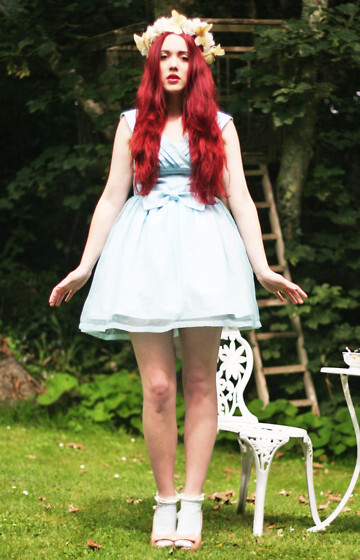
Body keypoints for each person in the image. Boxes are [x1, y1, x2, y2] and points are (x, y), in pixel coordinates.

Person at [49, 10, 307, 551]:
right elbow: (112, 197)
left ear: (197, 65)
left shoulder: (220, 125)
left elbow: (239, 196)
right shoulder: (130, 123)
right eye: (163, 56)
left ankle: (193, 502)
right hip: (142, 256)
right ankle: (164, 500)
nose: (172, 65)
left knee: (198, 383)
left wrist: (261, 267)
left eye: (181, 56)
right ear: (151, 63)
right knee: (159, 387)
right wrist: (85, 265)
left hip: (203, 254)